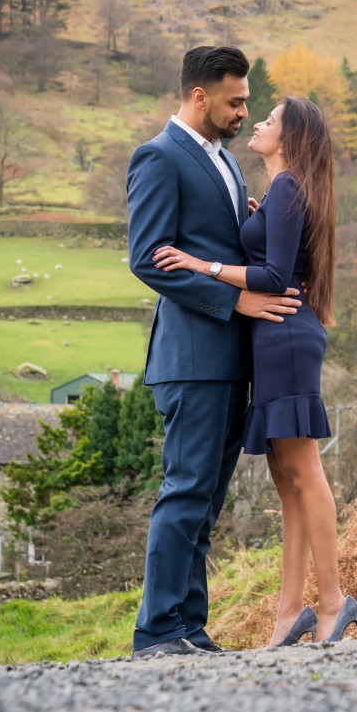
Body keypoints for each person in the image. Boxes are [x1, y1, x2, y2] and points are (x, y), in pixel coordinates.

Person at [153, 96, 357, 647]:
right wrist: (257, 220)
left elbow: (272, 276)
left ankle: (333, 602)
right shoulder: (281, 191)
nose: (258, 122)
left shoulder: (289, 186)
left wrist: (201, 265)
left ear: (289, 139)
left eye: (270, 119)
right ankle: (289, 614)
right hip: (273, 341)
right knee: (287, 485)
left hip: (285, 337)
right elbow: (276, 257)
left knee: (304, 473)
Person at [126, 46, 302, 659]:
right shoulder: (158, 156)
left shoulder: (225, 161)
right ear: (200, 96)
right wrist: (236, 302)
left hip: (230, 360)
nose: (244, 111)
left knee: (205, 502)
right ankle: (156, 631)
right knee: (185, 492)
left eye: (247, 101)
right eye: (235, 101)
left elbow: (216, 246)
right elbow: (148, 258)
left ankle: (190, 628)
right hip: (192, 358)